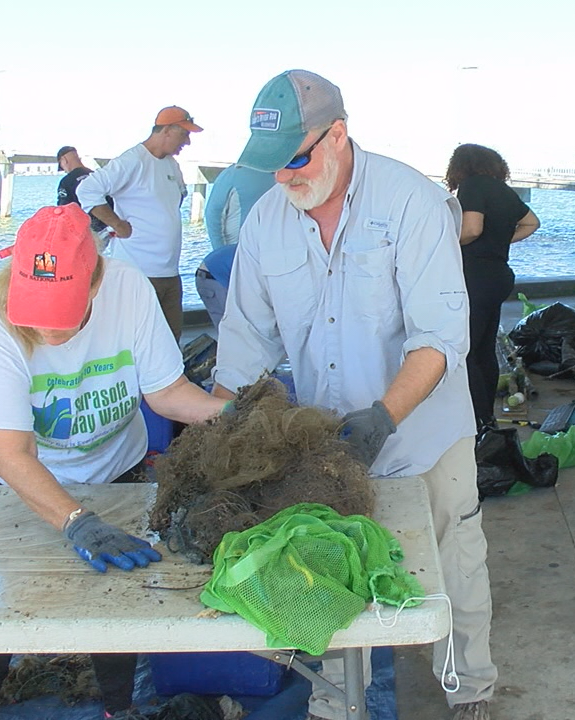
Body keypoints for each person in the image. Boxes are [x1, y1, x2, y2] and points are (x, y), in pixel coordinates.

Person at [213, 69, 496, 720]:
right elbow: (245, 349)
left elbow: (441, 338)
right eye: (270, 166)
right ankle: (337, 706)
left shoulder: (411, 203)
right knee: (333, 574)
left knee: (452, 570)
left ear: (336, 135)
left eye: (292, 160)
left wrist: (382, 417)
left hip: (426, 434)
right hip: (329, 440)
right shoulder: (264, 225)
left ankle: (468, 690)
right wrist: (222, 435)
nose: (282, 178)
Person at [0, 204, 226, 719]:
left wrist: (236, 415)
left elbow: (169, 393)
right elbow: (8, 451)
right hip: (16, 475)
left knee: (121, 593)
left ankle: (117, 709)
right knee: (5, 595)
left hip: (112, 466)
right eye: (35, 313)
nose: (48, 331)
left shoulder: (129, 290)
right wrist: (75, 521)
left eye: (63, 313)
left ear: (95, 281)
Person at [77, 106, 203, 341]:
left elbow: (178, 197)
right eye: (184, 134)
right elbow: (87, 190)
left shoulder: (171, 165)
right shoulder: (132, 160)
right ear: (167, 130)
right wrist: (118, 225)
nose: (187, 142)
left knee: (171, 342)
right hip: (139, 271)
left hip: (170, 272)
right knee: (138, 343)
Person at [444, 144, 541, 430]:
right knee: (485, 350)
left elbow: (472, 229)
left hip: (475, 277)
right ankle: (485, 418)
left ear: (460, 166)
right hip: (498, 276)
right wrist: (498, 242)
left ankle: (474, 422)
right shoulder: (502, 190)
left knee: (468, 351)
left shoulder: (471, 185)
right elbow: (531, 222)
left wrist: (443, 243)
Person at [194, 165, 275, 337]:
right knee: (233, 334)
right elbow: (213, 214)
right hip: (215, 276)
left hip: (219, 267)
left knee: (245, 332)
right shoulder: (266, 254)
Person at [55, 146, 110, 235]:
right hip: (108, 227)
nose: (64, 171)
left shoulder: (66, 182)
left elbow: (64, 210)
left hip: (86, 232)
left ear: (64, 160)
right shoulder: (97, 176)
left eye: (62, 166)